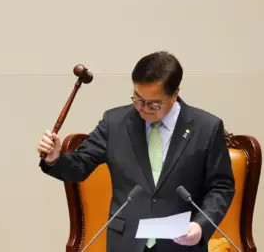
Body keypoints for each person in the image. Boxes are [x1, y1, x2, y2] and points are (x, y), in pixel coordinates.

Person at [37, 51, 235, 252]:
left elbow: (221, 187)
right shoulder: (115, 123)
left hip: (181, 244)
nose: (143, 108)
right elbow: (79, 166)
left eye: (153, 103)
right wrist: (55, 159)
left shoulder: (206, 128)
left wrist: (201, 225)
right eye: (138, 99)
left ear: (175, 94)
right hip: (126, 242)